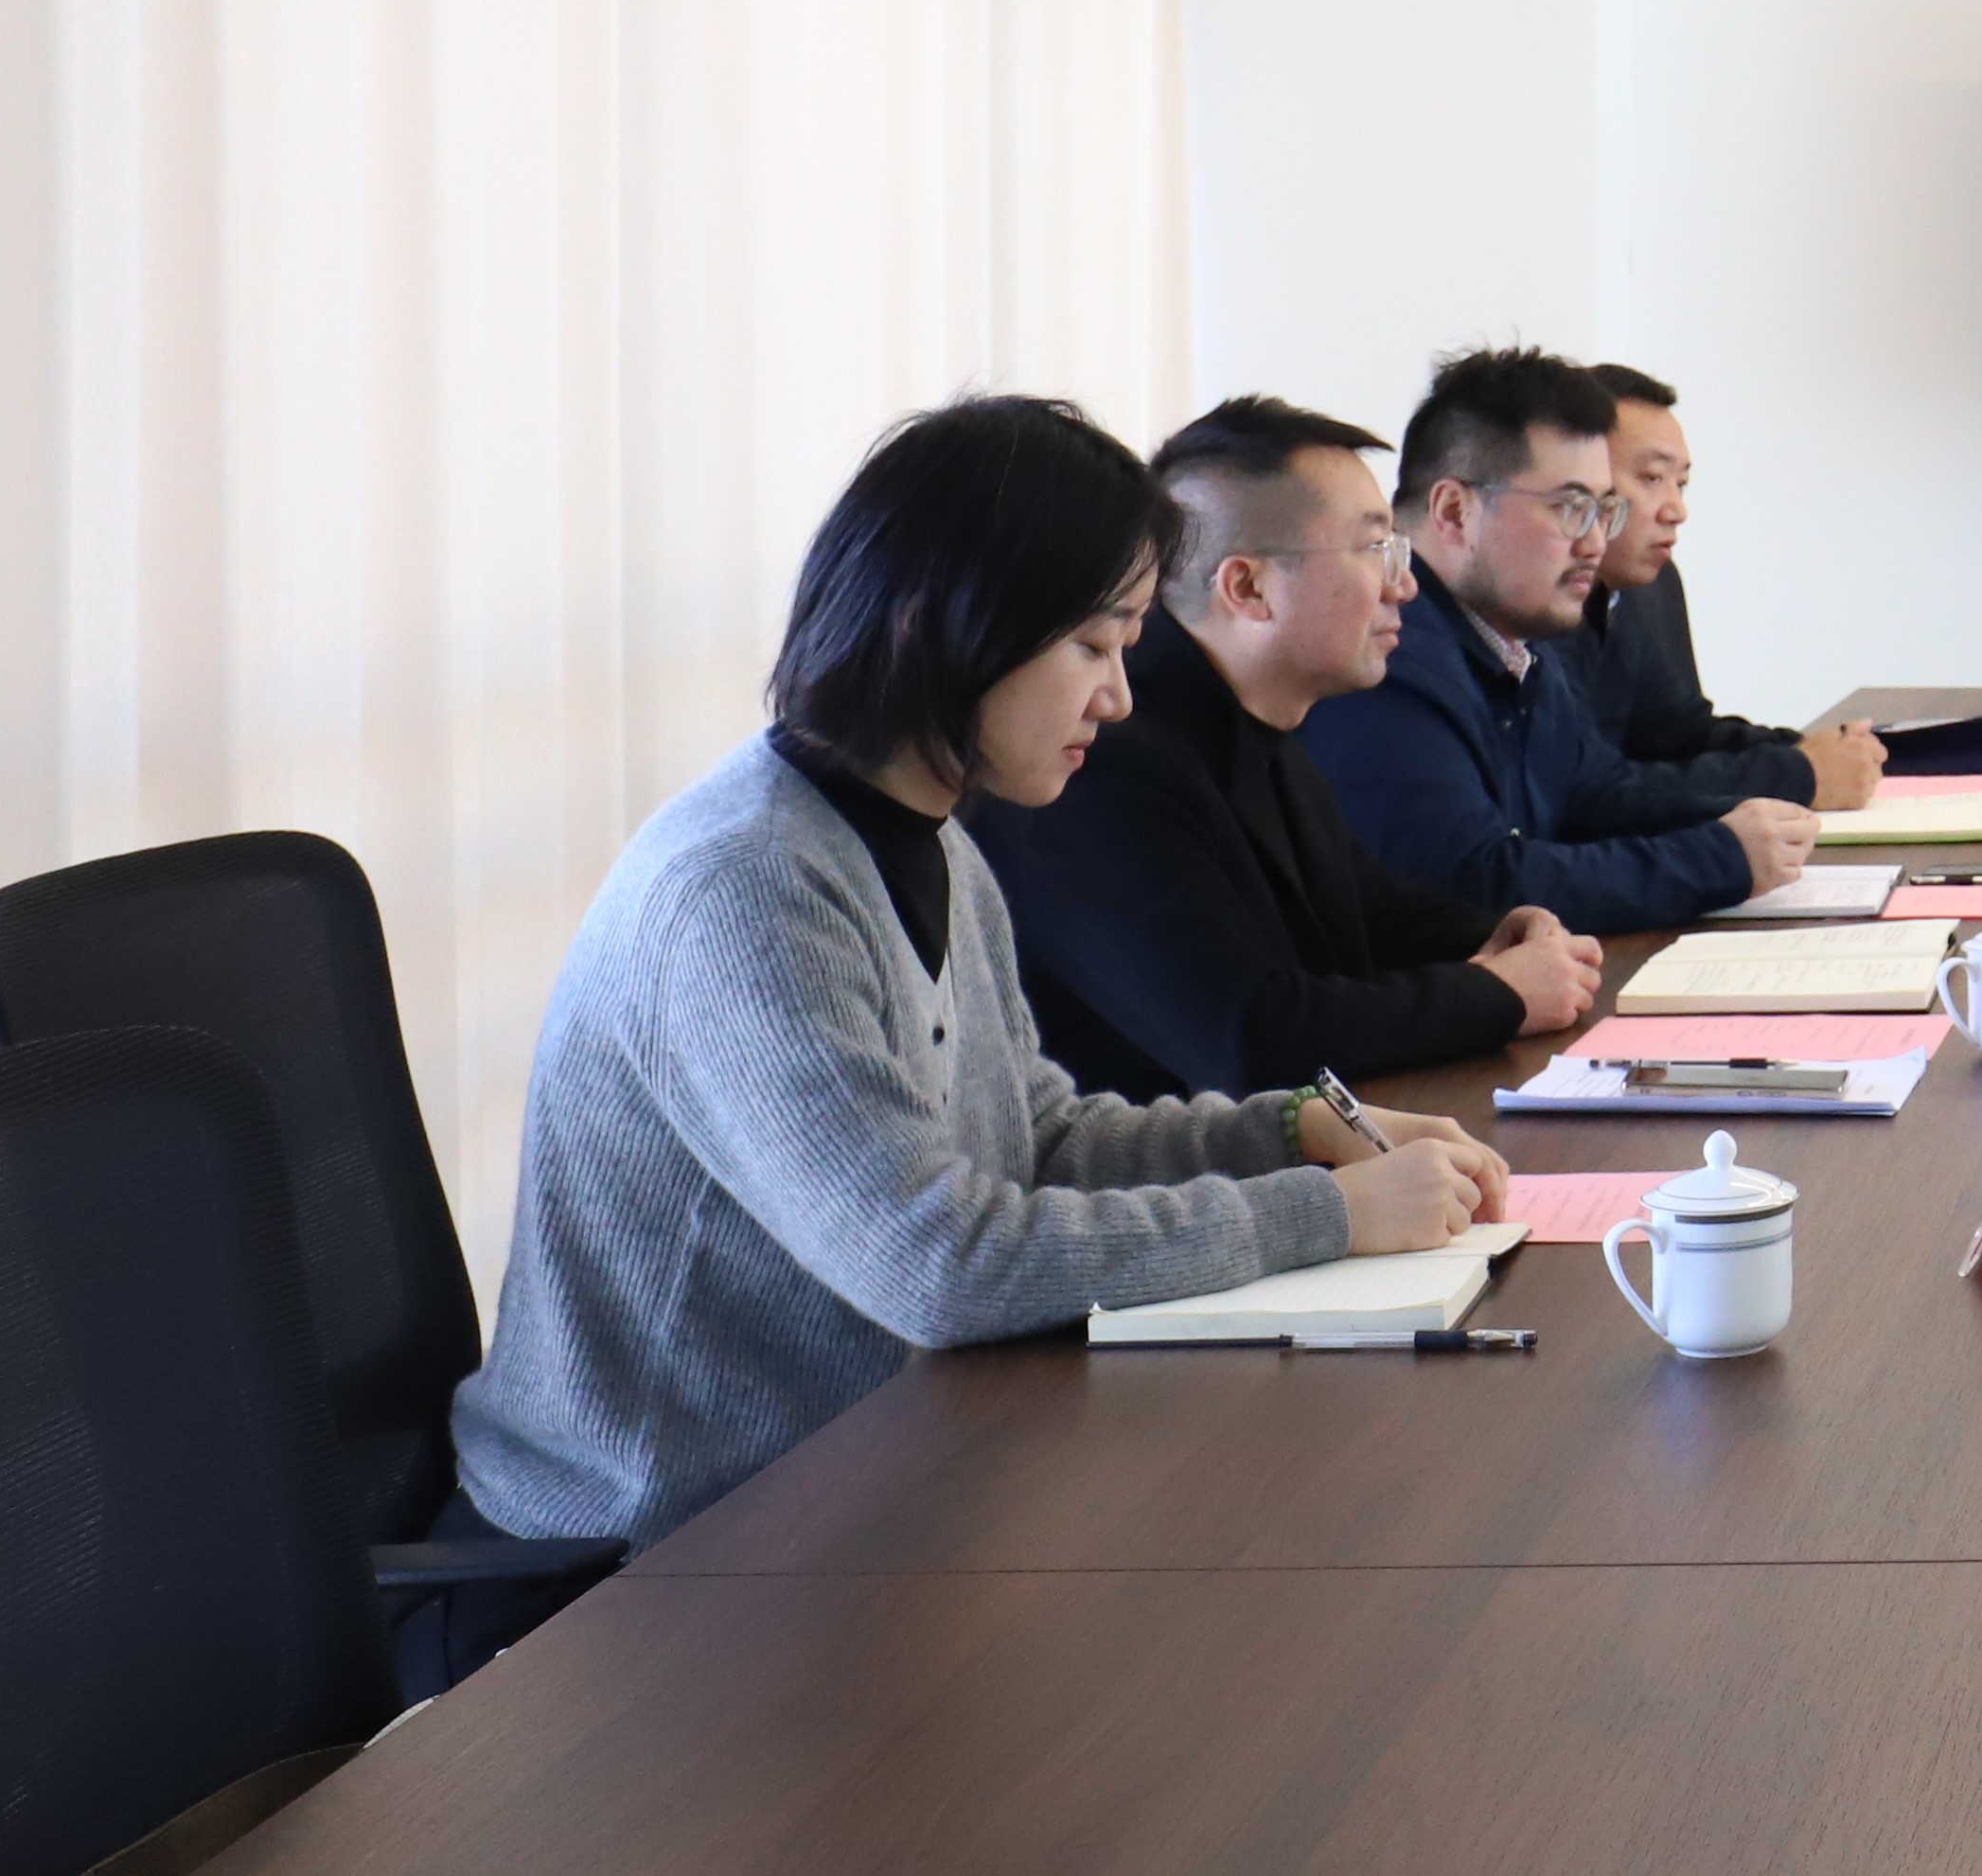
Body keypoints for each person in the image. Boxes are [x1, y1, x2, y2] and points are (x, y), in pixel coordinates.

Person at [451, 397, 1516, 1549]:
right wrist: (1324, 1213)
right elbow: (940, 1265)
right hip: (652, 1552)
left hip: (859, 1484)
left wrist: (1294, 1131)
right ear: (955, 626)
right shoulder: (744, 891)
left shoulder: (935, 840)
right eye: (1095, 646)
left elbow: (1035, 1138)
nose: (1119, 697)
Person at [966, 396, 1613, 1100]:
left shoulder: (1256, 721)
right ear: (1248, 587)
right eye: (1375, 549)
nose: (1404, 585)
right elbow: (1252, 1035)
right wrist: (1502, 993)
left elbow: (1370, 914)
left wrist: (1500, 936)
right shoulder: (1101, 756)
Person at [1301, 345, 1816, 935]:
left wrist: (1750, 822)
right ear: (1455, 511)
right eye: (1571, 508)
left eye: (1604, 510)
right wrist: (1719, 858)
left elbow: (1594, 798)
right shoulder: (1386, 654)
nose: (1595, 543)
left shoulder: (1519, 643)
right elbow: (1474, 885)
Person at [1566, 363, 1883, 816]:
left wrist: (1808, 750)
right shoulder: (1534, 603)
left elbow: (1677, 736)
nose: (1677, 510)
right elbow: (1584, 791)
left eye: (1681, 484)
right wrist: (1797, 774)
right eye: (1652, 478)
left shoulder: (1653, 584)